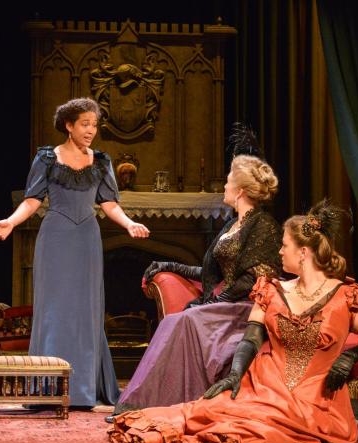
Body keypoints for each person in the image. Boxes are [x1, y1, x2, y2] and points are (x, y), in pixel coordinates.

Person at [108, 200, 358, 443]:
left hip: (317, 395)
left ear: (303, 253)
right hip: (264, 383)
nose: (279, 252)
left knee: (259, 428)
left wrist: (351, 356)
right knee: (210, 415)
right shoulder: (270, 290)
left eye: (284, 245)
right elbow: (252, 339)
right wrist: (234, 375)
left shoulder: (347, 296)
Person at [109, 126, 282, 420]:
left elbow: (254, 279)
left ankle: (158, 407)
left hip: (244, 309)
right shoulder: (231, 226)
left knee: (187, 319)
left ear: (239, 191)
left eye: (228, 180)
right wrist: (170, 265)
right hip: (224, 304)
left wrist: (216, 302)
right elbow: (212, 272)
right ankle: (141, 406)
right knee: (174, 322)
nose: (224, 186)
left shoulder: (263, 225)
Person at [0, 98, 150, 407]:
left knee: (85, 311)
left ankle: (83, 389)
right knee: (55, 310)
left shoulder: (101, 161)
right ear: (69, 125)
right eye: (85, 124)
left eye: (94, 125)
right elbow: (33, 199)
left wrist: (129, 224)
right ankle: (46, 387)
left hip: (87, 237)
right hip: (56, 238)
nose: (91, 130)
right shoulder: (48, 159)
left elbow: (109, 203)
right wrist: (10, 221)